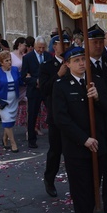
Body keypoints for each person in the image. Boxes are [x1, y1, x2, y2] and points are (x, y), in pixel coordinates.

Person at [53, 46, 107, 213]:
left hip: (99, 144)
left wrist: (98, 98)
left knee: (100, 181)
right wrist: (83, 139)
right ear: (67, 64)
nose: (81, 64)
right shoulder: (61, 86)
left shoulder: (96, 82)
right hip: (78, 148)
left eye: (83, 59)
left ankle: (100, 209)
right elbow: (61, 119)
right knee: (82, 189)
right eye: (76, 60)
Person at [39, 33, 70, 197]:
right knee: (55, 151)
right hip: (56, 115)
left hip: (72, 114)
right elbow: (44, 89)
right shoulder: (47, 66)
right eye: (60, 44)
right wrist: (58, 74)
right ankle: (49, 179)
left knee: (73, 152)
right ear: (55, 47)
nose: (63, 47)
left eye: (66, 44)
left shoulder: (74, 62)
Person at [20, 36, 52, 148]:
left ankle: (54, 137)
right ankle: (31, 140)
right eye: (39, 47)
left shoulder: (48, 56)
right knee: (32, 115)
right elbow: (23, 76)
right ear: (34, 46)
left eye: (43, 48)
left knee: (52, 113)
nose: (41, 50)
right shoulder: (28, 58)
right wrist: (35, 81)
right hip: (34, 90)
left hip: (46, 90)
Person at [0, 50, 22, 153]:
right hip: (2, 100)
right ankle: (13, 143)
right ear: (1, 62)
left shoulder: (14, 69)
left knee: (10, 122)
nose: (9, 62)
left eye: (10, 60)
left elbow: (20, 81)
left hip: (14, 99)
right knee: (7, 120)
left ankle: (4, 138)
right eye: (7, 60)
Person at [87, 24, 107, 99]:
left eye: (101, 42)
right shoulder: (83, 65)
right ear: (87, 44)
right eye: (95, 42)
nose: (98, 46)